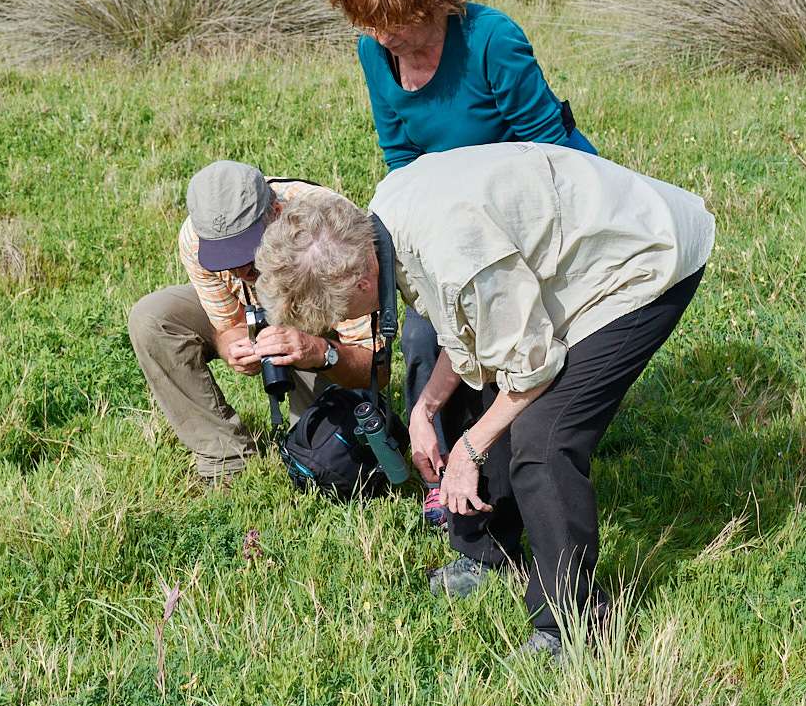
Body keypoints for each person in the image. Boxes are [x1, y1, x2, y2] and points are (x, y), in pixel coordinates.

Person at [253, 143, 714, 659]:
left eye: (342, 312)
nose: (343, 323)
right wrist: (425, 409)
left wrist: (470, 450)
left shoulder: (454, 253)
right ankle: (486, 553)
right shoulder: (381, 223)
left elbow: (532, 364)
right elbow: (467, 334)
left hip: (643, 257)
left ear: (362, 278)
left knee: (545, 439)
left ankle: (574, 624)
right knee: (480, 394)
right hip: (564, 250)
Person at [331, 0, 600, 526]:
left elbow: (552, 158)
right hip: (452, 224)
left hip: (535, 216)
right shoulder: (375, 52)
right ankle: (443, 470)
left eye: (394, 20)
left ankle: (497, 471)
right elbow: (401, 158)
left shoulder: (490, 41)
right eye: (371, 24)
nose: (383, 38)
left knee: (503, 334)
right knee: (426, 330)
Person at [127, 161, 379, 484]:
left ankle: (307, 433)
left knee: (320, 455)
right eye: (226, 258)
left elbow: (376, 369)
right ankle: (225, 457)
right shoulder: (197, 239)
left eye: (249, 250)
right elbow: (228, 324)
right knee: (152, 318)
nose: (241, 269)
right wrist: (230, 344)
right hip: (261, 318)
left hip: (321, 336)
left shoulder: (330, 232)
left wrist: (317, 350)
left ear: (276, 211)